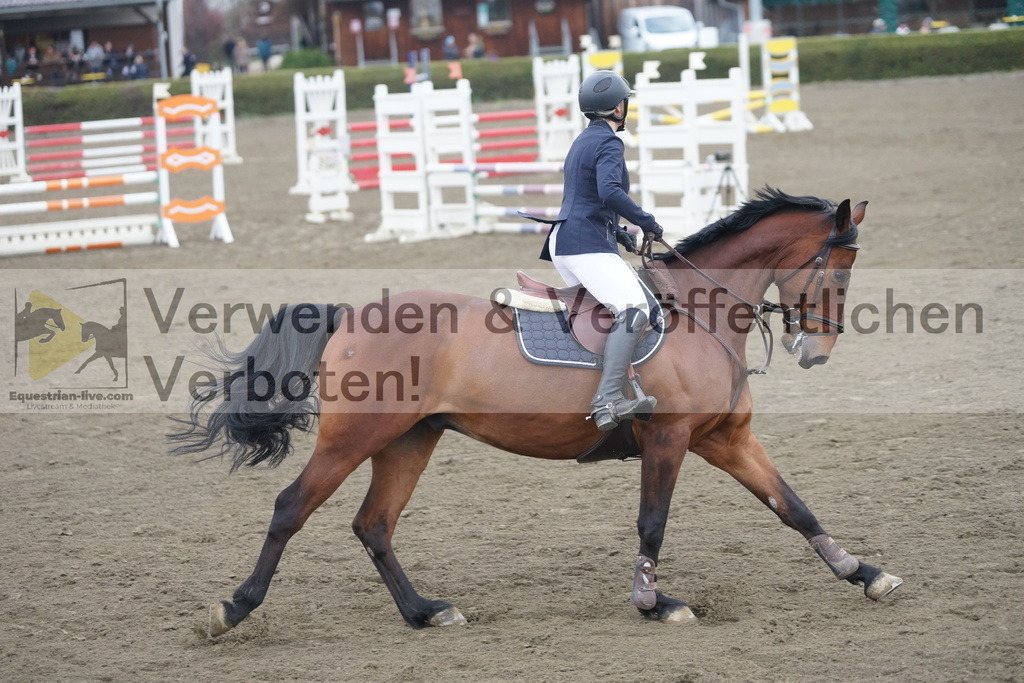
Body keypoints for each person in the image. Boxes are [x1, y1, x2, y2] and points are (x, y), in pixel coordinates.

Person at [537, 70, 663, 431]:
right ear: (617, 107)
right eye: (626, 102)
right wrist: (646, 220)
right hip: (584, 244)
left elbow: (585, 197)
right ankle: (606, 399)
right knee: (635, 308)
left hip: (568, 240)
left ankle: (615, 383)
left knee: (611, 308)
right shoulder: (610, 143)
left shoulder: (582, 140)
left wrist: (620, 233)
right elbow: (609, 192)